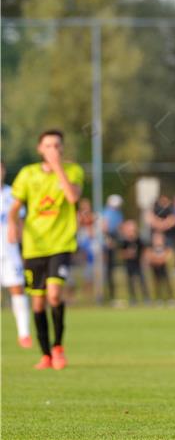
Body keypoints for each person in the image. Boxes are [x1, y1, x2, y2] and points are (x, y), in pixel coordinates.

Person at [8, 129, 84, 370]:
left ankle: (58, 348)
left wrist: (57, 167)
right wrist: (12, 224)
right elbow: (15, 206)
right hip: (34, 246)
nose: (53, 149)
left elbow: (72, 198)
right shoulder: (27, 174)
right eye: (48, 146)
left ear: (62, 148)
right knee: (38, 302)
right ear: (40, 149)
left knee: (54, 295)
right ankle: (45, 355)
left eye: (57, 145)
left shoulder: (73, 171)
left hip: (60, 243)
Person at [1, 163, 32, 348]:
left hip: (9, 251)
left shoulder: (12, 194)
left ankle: (24, 334)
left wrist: (23, 249)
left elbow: (20, 223)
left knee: (17, 289)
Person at [119, 219, 150, 305]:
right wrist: (128, 254)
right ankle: (133, 299)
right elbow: (121, 254)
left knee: (142, 281)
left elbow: (144, 250)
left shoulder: (139, 240)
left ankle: (146, 298)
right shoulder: (124, 241)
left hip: (138, 264)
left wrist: (144, 259)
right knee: (131, 282)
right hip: (129, 265)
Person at [102, 194, 124, 302]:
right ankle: (105, 296)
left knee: (111, 270)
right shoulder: (107, 212)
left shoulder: (118, 214)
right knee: (106, 270)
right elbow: (105, 227)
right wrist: (107, 239)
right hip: (106, 244)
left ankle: (111, 296)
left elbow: (119, 227)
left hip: (113, 241)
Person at [144, 231, 175, 306]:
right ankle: (159, 299)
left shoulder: (166, 248)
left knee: (167, 283)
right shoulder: (151, 248)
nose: (157, 240)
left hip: (164, 268)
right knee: (156, 284)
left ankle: (170, 299)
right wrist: (157, 260)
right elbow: (148, 256)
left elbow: (168, 257)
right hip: (155, 269)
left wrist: (161, 260)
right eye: (156, 239)